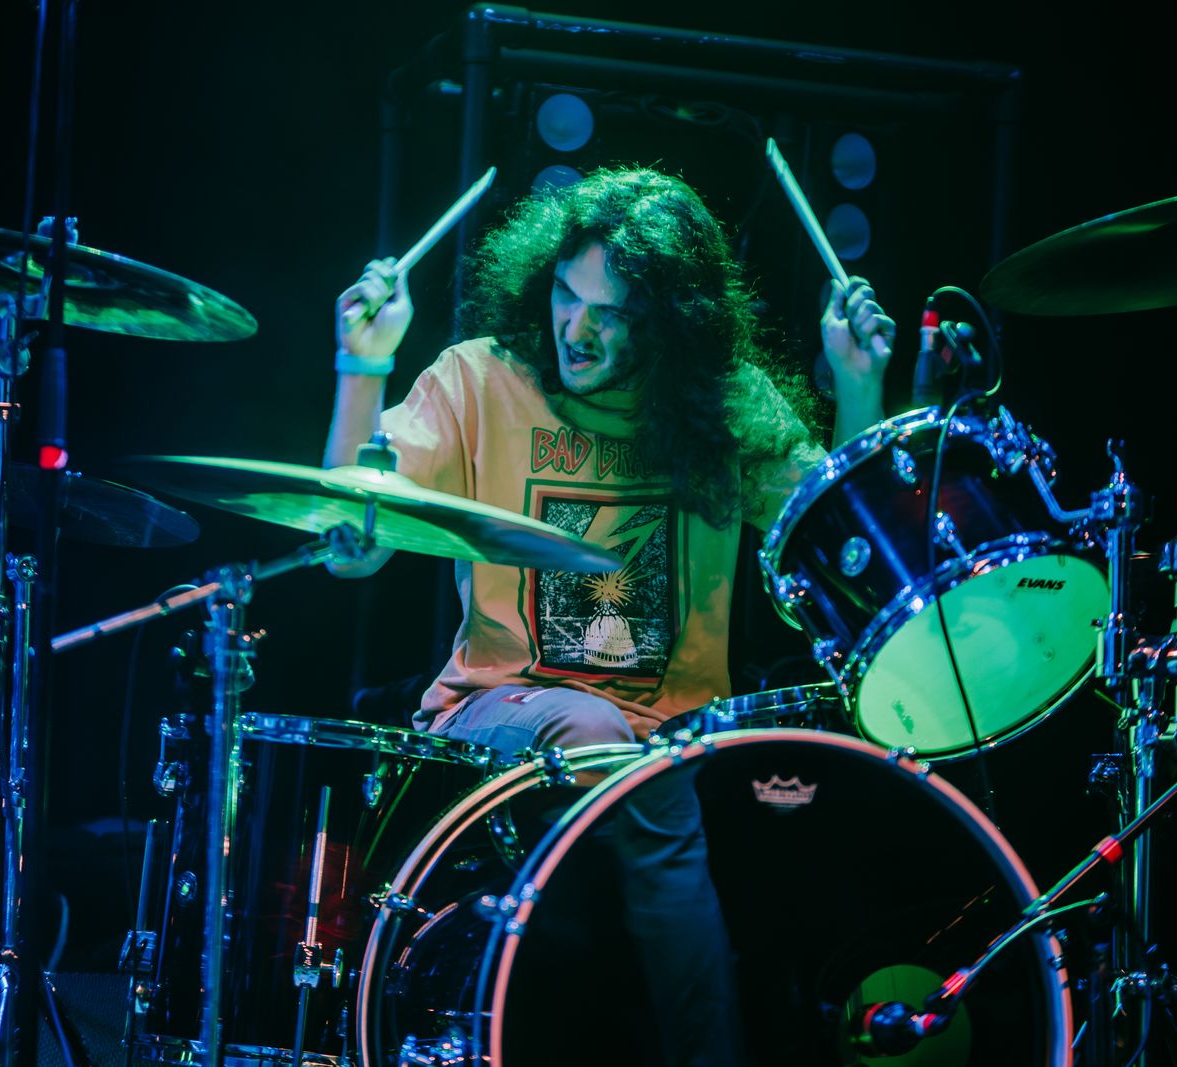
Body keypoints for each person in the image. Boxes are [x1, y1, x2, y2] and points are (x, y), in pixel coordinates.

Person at [325, 167, 894, 1064]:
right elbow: (350, 549)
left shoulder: (727, 404)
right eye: (566, 293)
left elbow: (847, 549)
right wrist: (363, 365)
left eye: (613, 312)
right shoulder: (479, 379)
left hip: (677, 739)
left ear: (671, 322)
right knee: (598, 731)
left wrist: (860, 388)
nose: (576, 328)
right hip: (497, 717)